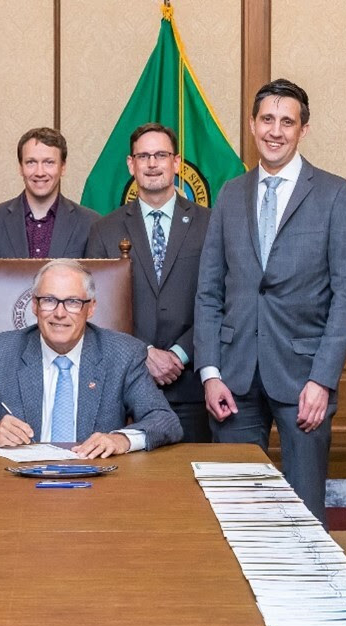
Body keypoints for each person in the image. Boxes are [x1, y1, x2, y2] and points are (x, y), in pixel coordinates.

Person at [193, 78, 346, 524]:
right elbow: (209, 290)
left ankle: (307, 595)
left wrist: (323, 381)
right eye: (267, 119)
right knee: (235, 509)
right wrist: (210, 373)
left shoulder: (335, 194)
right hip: (233, 381)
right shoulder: (230, 193)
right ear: (252, 125)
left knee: (305, 510)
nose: (275, 130)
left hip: (304, 381)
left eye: (287, 121)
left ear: (303, 130)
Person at [0, 260, 182, 456]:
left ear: (90, 308)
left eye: (72, 302)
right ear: (35, 306)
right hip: (18, 490)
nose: (59, 313)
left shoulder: (122, 354)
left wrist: (121, 440)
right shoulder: (0, 353)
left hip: (97, 487)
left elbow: (165, 421)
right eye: (49, 300)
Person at [86, 122, 212, 442]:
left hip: (192, 388)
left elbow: (220, 300)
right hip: (123, 390)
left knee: (188, 486)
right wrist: (144, 353)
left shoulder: (209, 224)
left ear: (177, 162)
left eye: (160, 155)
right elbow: (94, 310)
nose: (152, 164)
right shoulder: (104, 230)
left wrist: (180, 354)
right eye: (143, 156)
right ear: (131, 164)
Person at [0, 127, 100, 258]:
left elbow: (95, 277)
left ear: (63, 167)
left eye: (49, 162)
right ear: (20, 167)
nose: (39, 172)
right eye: (31, 162)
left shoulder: (90, 223)